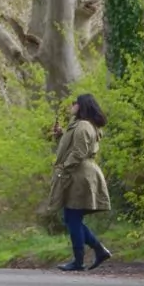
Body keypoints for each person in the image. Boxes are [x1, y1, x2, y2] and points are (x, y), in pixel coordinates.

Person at [48, 93, 113, 271]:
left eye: (74, 103)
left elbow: (79, 152)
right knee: (71, 218)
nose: (72, 105)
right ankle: (99, 251)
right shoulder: (81, 125)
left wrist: (64, 167)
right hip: (79, 173)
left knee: (73, 218)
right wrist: (61, 135)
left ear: (82, 106)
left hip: (79, 175)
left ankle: (79, 261)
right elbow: (74, 146)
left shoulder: (83, 125)